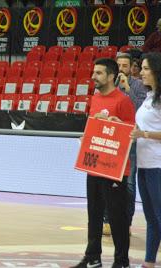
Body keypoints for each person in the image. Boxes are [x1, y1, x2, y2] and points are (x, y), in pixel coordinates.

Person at [71, 58, 135, 268]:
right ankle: (93, 257)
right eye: (93, 72)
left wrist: (118, 125)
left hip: (115, 170)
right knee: (94, 213)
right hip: (95, 166)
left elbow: (131, 133)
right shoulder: (95, 98)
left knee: (117, 217)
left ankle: (121, 261)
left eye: (98, 73)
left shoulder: (123, 101)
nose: (93, 77)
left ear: (111, 76)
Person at [102, 53, 148, 236]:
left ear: (132, 68)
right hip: (111, 140)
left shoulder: (138, 85)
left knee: (128, 183)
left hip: (131, 141)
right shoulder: (107, 87)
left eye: (125, 66)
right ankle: (107, 220)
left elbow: (141, 111)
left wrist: (128, 89)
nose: (121, 69)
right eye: (119, 65)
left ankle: (125, 222)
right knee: (107, 181)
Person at [130, 52, 161, 268]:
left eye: (146, 68)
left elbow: (149, 132)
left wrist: (144, 135)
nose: (141, 72)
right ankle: (149, 262)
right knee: (151, 217)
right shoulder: (150, 97)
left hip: (158, 166)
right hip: (143, 165)